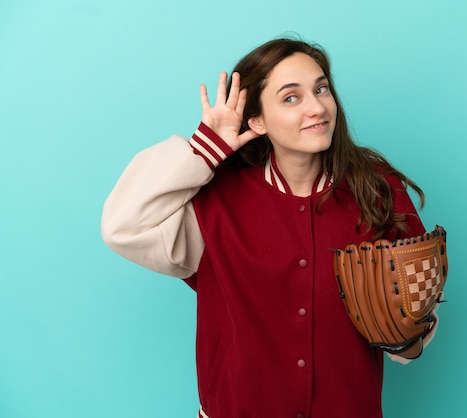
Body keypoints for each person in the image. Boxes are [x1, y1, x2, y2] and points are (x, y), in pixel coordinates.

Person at [101, 37, 439, 418]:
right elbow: (123, 226)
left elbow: (413, 315)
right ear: (257, 120)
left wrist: (407, 336)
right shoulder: (214, 200)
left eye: (321, 88)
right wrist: (205, 148)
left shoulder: (377, 189)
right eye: (291, 98)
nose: (317, 107)